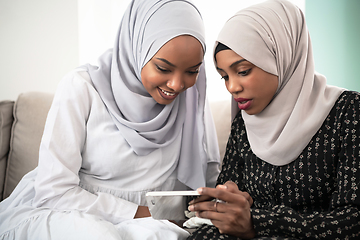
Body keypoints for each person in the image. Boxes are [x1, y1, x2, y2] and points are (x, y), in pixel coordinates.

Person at [0, 0, 221, 239]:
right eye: (163, 68)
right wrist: (142, 212)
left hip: (152, 225)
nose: (177, 85)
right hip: (70, 212)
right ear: (136, 47)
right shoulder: (81, 88)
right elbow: (53, 191)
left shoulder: (191, 98)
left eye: (192, 71)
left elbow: (209, 180)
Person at [186, 0, 360, 239]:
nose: (232, 87)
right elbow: (231, 204)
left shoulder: (348, 112)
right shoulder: (244, 122)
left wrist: (257, 221)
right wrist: (225, 203)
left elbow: (352, 221)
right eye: (224, 77)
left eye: (243, 71)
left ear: (281, 56)